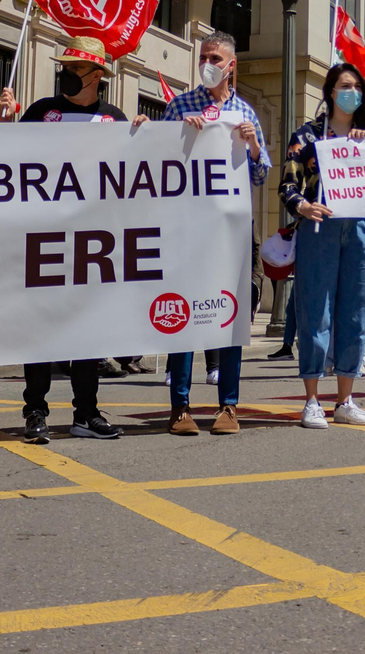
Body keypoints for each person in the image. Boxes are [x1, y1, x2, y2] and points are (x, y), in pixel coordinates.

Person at [0, 35, 145, 443]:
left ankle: (86, 413)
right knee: (40, 329)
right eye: (65, 68)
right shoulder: (41, 113)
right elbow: (9, 161)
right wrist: (7, 121)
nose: (66, 74)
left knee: (90, 330)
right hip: (44, 238)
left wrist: (145, 137)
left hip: (94, 243)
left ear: (97, 75)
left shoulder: (115, 119)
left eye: (76, 69)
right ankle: (35, 411)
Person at [164, 31, 271, 433]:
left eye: (215, 57)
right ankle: (180, 406)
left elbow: (260, 173)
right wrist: (179, 134)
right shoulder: (179, 105)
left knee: (229, 315)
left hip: (230, 232)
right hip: (188, 229)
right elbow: (156, 164)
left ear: (231, 66)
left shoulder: (244, 112)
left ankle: (228, 405)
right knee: (182, 314)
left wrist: (254, 146)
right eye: (203, 56)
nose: (207, 63)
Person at [280, 63, 365, 428]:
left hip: (361, 228)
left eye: (357, 87)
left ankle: (345, 399)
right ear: (330, 91)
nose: (353, 92)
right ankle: (312, 399)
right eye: (345, 86)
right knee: (316, 311)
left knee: (357, 310)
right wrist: (303, 206)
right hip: (319, 227)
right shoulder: (307, 136)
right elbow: (288, 185)